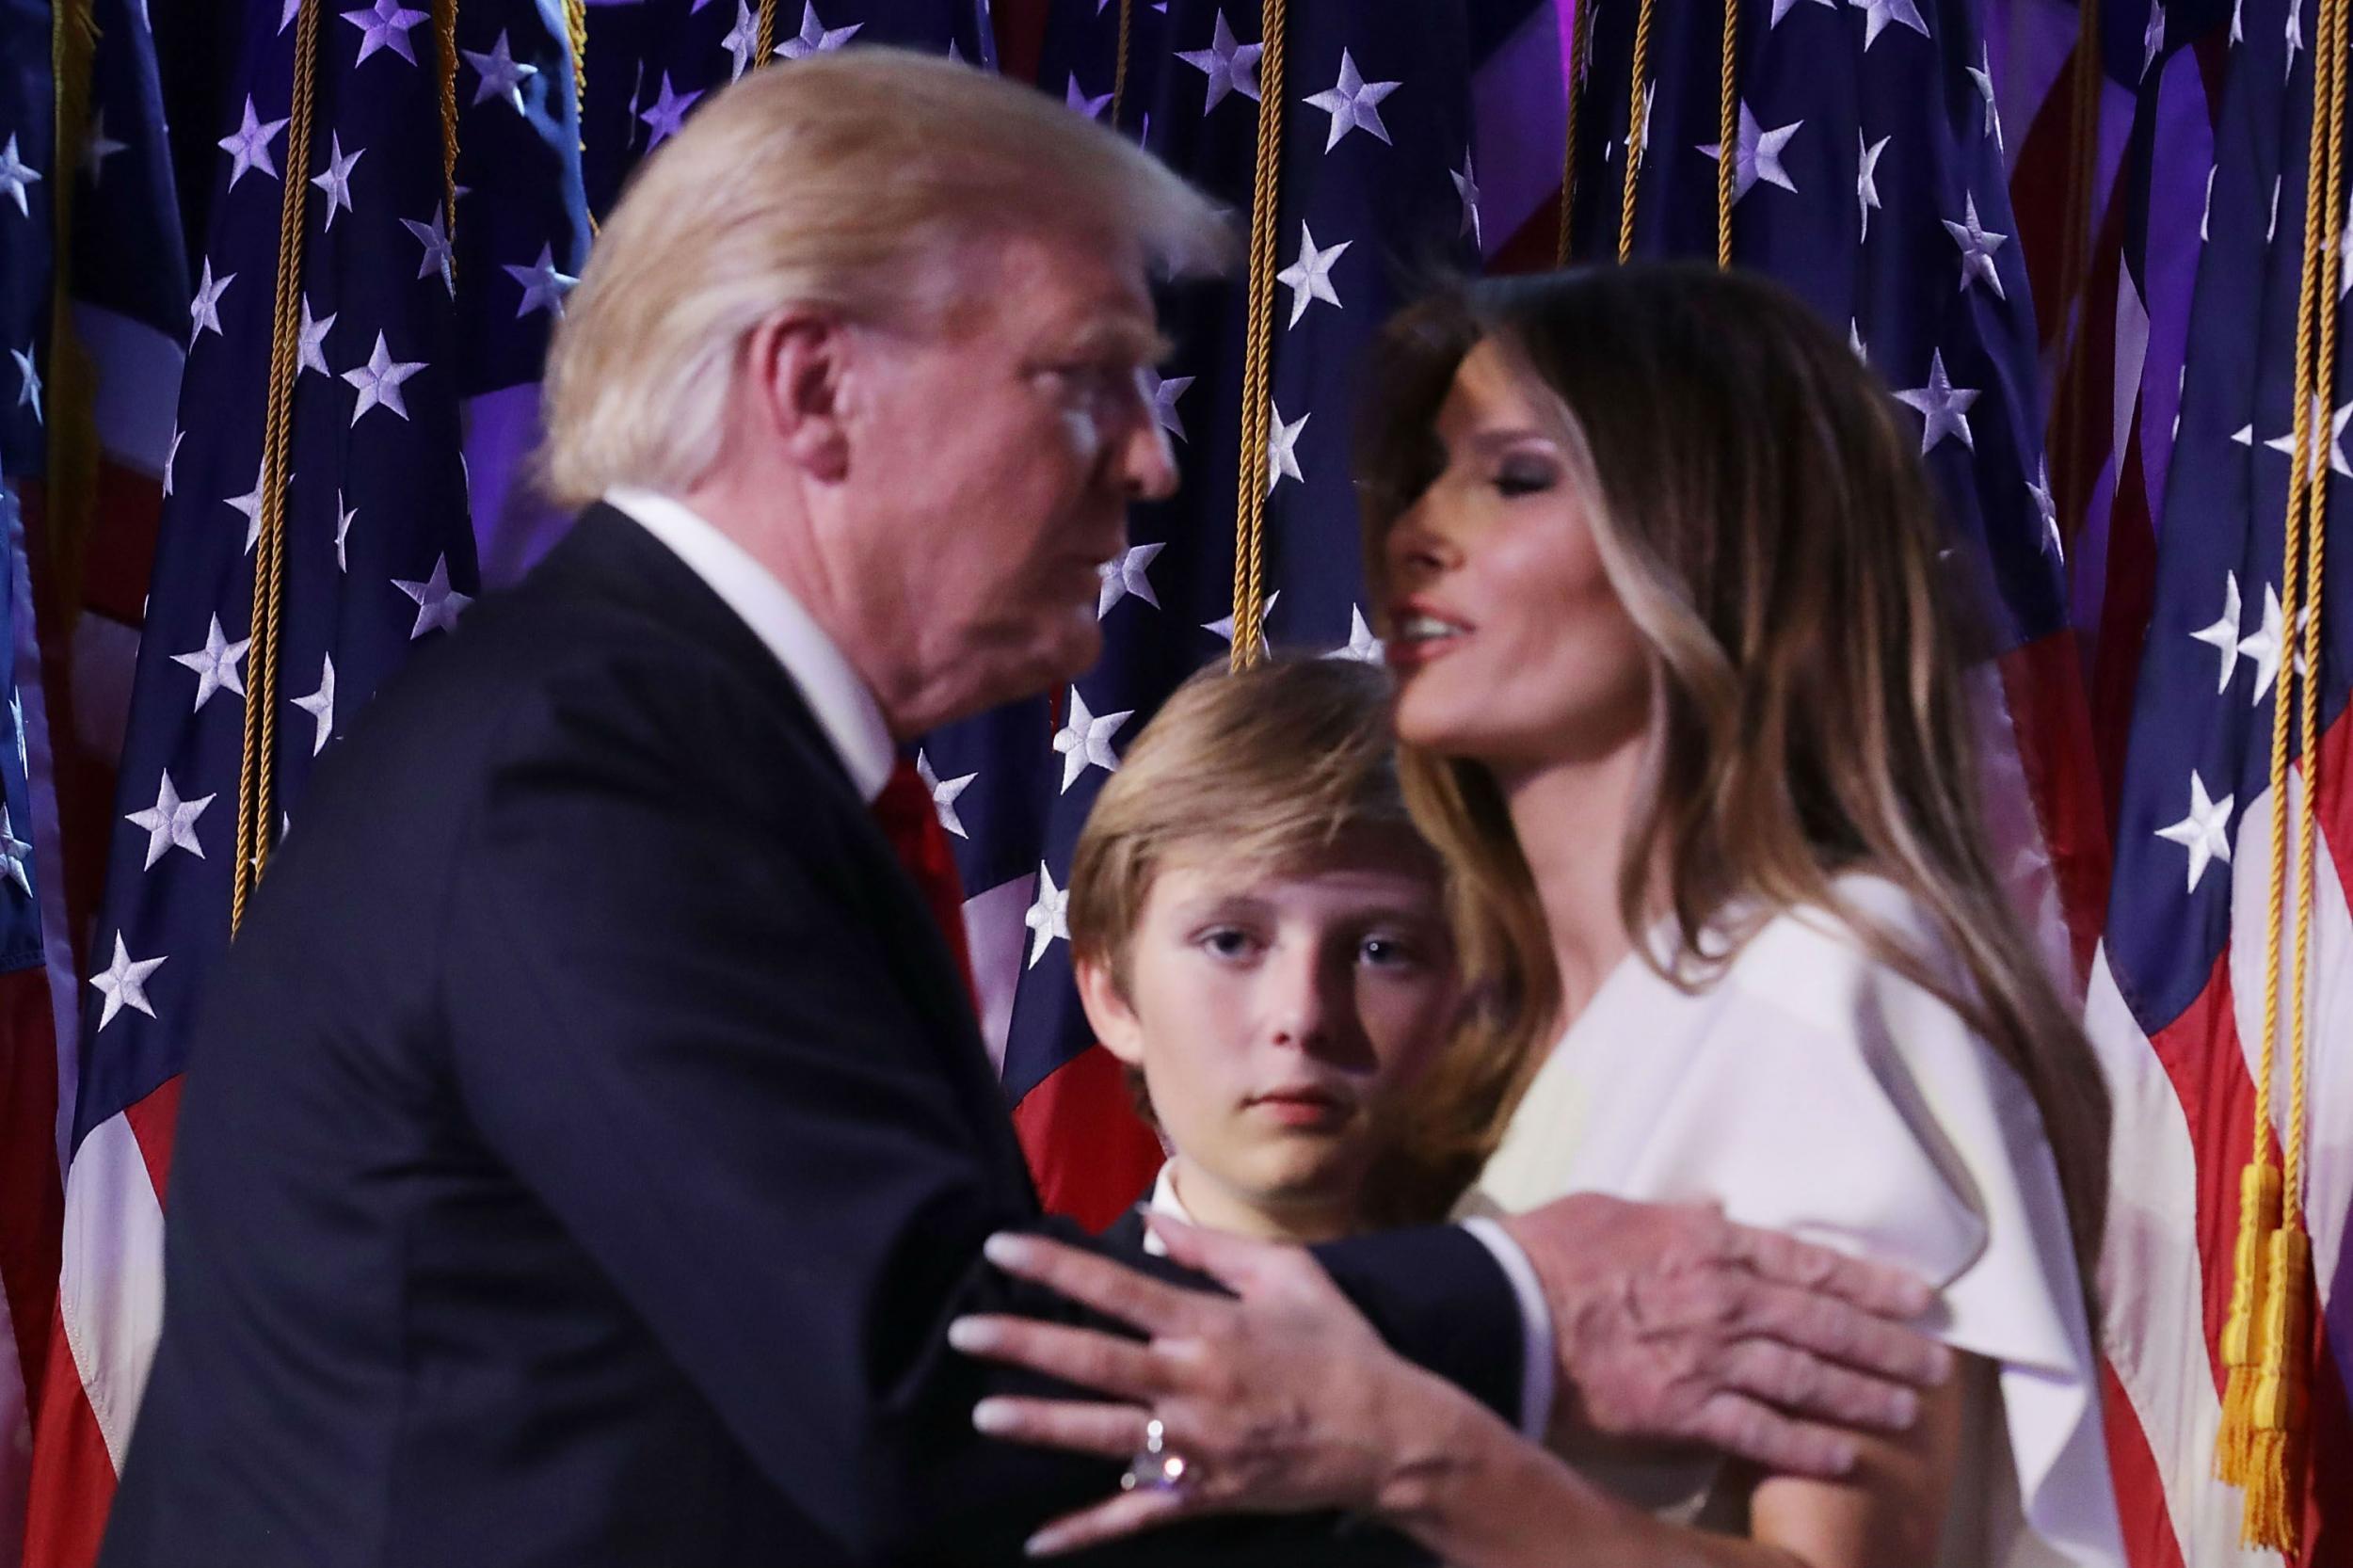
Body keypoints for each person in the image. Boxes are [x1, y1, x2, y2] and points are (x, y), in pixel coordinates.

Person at [98, 57, 1952, 1568]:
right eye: (1087, 382)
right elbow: (914, 1389)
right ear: (815, 388)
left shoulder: (690, 747)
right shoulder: (593, 762)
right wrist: (1514, 1310)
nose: (1153, 462)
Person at [951, 264, 2125, 1567]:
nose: (1413, 535)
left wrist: (1404, 1445)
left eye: (1511, 479)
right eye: (1425, 478)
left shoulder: (1817, 985)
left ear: (1704, 552)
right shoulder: (1608, 1025)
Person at [1067, 656, 1460, 1256]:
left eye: (1381, 952)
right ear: (1115, 997)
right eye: (1229, 943)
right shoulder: (1009, 1345)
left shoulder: (1564, 1343)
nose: (1302, 1019)